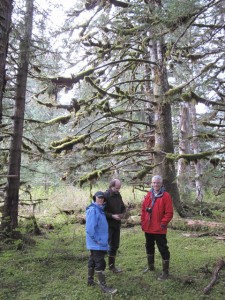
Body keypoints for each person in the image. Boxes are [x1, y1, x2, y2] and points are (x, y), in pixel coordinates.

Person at [141, 175, 173, 280]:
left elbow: (169, 213)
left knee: (163, 249)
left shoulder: (166, 196)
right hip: (148, 227)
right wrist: (143, 222)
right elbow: (143, 210)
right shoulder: (149, 194)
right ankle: (151, 266)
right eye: (154, 182)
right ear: (151, 183)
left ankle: (165, 272)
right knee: (149, 246)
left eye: (158, 183)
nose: (155, 184)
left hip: (159, 228)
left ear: (161, 183)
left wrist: (163, 223)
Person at [86, 191, 117, 294]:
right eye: (99, 198)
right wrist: (98, 240)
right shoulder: (93, 210)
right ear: (95, 198)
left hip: (98, 243)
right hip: (97, 243)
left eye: (102, 198)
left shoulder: (99, 209)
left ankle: (90, 280)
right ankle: (103, 287)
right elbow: (90, 229)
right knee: (100, 263)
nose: (101, 199)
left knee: (93, 260)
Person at [104, 179, 126, 273]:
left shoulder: (118, 194)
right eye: (117, 188)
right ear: (111, 186)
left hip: (117, 225)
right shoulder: (105, 196)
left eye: (119, 188)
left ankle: (112, 267)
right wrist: (112, 216)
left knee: (115, 245)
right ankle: (99, 268)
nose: (118, 190)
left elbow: (122, 207)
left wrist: (123, 214)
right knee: (104, 246)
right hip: (107, 225)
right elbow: (102, 211)